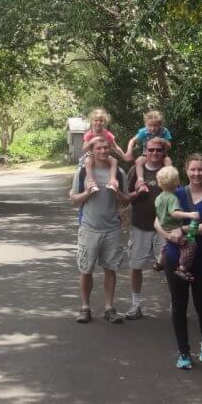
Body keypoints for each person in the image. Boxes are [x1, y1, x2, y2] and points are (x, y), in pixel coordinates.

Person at [154, 153, 202, 369]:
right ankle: (183, 351)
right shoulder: (174, 193)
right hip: (175, 258)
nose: (196, 173)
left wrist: (182, 228)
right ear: (186, 170)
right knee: (178, 305)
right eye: (193, 169)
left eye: (200, 169)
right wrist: (169, 235)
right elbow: (157, 221)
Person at [69, 137, 131, 324]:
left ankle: (109, 308)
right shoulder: (82, 172)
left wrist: (117, 193)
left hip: (112, 229)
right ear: (92, 150)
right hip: (89, 228)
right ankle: (85, 308)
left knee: (110, 269)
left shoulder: (119, 173)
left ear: (110, 149)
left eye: (106, 147)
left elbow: (126, 201)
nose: (103, 151)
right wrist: (87, 193)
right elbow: (73, 200)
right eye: (99, 148)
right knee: (86, 270)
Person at [123, 136, 168, 319]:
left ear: (164, 152)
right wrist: (136, 193)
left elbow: (178, 197)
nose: (154, 153)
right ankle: (136, 305)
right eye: (151, 150)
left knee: (170, 266)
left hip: (164, 228)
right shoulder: (135, 170)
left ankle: (176, 305)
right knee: (136, 266)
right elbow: (124, 197)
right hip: (140, 226)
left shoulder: (168, 171)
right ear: (145, 151)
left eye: (158, 150)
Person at [153, 166, 201, 282]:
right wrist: (190, 215)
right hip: (174, 228)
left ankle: (159, 262)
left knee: (166, 243)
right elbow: (174, 213)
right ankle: (182, 267)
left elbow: (158, 214)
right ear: (176, 182)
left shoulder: (159, 197)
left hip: (164, 227)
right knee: (190, 245)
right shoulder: (172, 198)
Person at [81, 107, 128, 192]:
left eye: (101, 121)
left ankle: (112, 181)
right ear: (92, 122)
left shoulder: (107, 134)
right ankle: (91, 182)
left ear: (104, 122)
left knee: (114, 161)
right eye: (96, 120)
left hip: (104, 155)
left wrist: (124, 156)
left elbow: (115, 147)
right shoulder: (89, 134)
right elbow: (84, 149)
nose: (98, 123)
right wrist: (91, 141)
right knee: (88, 161)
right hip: (91, 155)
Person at [124, 109, 174, 174]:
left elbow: (169, 146)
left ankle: (169, 178)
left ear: (160, 125)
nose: (152, 128)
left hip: (162, 155)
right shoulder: (144, 131)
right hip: (146, 155)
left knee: (168, 161)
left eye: (155, 126)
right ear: (146, 125)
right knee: (138, 161)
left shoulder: (164, 131)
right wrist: (129, 151)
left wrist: (162, 140)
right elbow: (132, 141)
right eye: (150, 126)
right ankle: (140, 179)